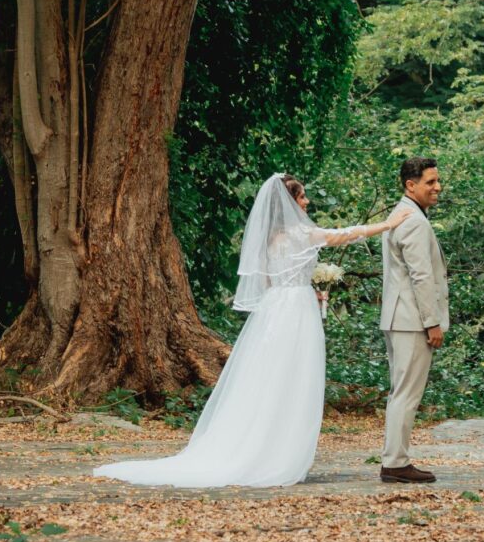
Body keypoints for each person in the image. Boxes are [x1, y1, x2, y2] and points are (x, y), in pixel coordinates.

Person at [93, 173, 410, 488]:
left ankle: (263, 444)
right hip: (295, 313)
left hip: (275, 309)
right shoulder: (301, 233)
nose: (306, 201)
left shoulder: (271, 240)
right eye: (301, 197)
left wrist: (306, 288)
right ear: (290, 202)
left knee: (269, 375)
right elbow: (344, 235)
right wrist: (387, 224)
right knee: (292, 377)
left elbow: (273, 280)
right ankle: (276, 453)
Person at [379, 157, 449, 483]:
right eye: (430, 182)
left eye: (437, 181)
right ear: (411, 185)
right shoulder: (412, 221)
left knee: (401, 392)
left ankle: (395, 459)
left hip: (401, 316)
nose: (437, 187)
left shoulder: (403, 214)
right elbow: (421, 276)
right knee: (406, 393)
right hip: (411, 320)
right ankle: (395, 462)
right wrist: (432, 322)